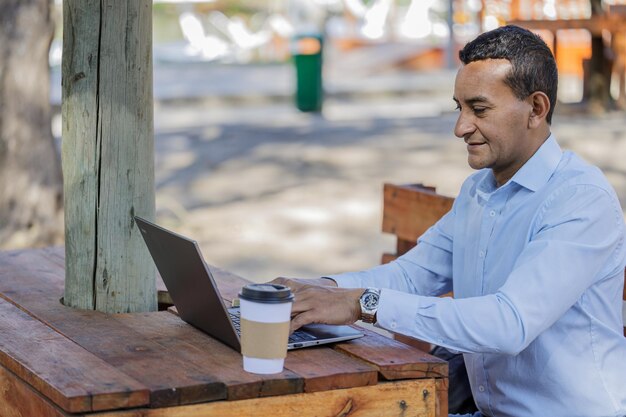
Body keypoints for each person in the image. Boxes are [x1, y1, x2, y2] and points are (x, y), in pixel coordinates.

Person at [273, 25, 626, 417]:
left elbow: (508, 324)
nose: (460, 127)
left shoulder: (579, 199)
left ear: (536, 109)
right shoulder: (479, 191)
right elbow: (413, 275)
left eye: (480, 109)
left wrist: (362, 303)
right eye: (460, 108)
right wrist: (315, 290)